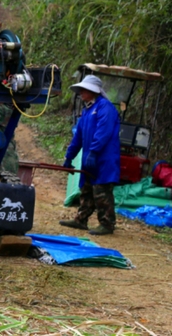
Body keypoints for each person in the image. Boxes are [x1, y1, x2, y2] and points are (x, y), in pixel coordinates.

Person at [59, 75, 121, 235]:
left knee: (101, 191)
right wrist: (69, 156)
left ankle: (107, 224)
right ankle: (81, 219)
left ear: (93, 91)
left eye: (84, 89)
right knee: (86, 190)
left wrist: (94, 151)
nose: (81, 92)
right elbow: (78, 137)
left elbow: (103, 132)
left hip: (104, 157)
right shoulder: (87, 110)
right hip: (90, 157)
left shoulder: (104, 107)